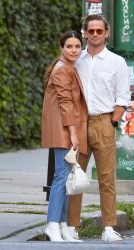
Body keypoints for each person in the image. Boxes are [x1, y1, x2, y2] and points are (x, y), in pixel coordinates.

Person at [67, 15, 131, 242]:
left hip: (104, 122)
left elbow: (123, 97)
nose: (95, 34)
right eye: (90, 31)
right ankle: (71, 227)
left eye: (99, 31)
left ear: (107, 33)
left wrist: (113, 122)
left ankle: (108, 228)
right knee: (75, 177)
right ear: (84, 33)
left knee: (106, 178)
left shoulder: (117, 62)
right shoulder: (76, 60)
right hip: (80, 124)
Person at [41, 31, 88, 242]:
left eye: (77, 46)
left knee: (65, 175)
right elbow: (65, 103)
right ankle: (52, 225)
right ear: (62, 48)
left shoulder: (68, 67)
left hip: (65, 127)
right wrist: (73, 133)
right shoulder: (62, 70)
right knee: (62, 176)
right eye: (69, 46)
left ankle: (62, 226)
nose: (74, 50)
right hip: (63, 129)